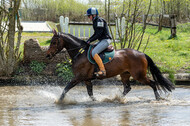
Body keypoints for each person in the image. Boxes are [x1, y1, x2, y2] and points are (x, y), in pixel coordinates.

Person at [85, 7, 112, 76]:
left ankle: (102, 70)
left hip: (106, 40)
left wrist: (90, 40)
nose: (88, 17)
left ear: (94, 15)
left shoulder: (99, 21)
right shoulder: (95, 21)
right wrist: (88, 40)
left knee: (94, 52)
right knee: (91, 47)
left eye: (89, 16)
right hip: (102, 40)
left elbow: (98, 34)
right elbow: (95, 34)